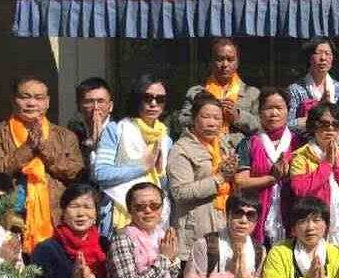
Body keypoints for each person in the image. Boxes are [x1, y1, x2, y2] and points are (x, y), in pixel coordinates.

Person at [0, 76, 84, 252]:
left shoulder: (65, 136)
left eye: (38, 98)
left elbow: (76, 172)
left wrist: (45, 149)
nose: (31, 103)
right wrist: (27, 149)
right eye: (25, 97)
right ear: (14, 100)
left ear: (47, 102)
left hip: (56, 217)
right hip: (12, 217)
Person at [94, 74, 174, 232]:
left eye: (160, 99)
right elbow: (100, 173)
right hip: (119, 215)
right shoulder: (116, 129)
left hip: (155, 219)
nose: (153, 104)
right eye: (147, 98)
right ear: (137, 98)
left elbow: (164, 187)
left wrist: (159, 173)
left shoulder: (166, 139)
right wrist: (143, 168)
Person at [168, 94, 237, 261]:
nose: (212, 123)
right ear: (193, 119)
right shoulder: (182, 149)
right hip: (196, 230)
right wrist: (219, 178)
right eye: (206, 117)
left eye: (217, 118)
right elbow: (180, 192)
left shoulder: (223, 145)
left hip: (223, 225)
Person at [233, 87, 298, 248]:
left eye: (279, 108)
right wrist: (272, 178)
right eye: (268, 108)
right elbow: (240, 182)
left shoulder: (298, 143)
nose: (274, 113)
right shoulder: (248, 143)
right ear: (259, 112)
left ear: (288, 111)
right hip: (256, 215)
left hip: (292, 215)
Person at [287, 103, 339, 250]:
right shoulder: (301, 156)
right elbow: (300, 190)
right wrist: (326, 165)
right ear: (313, 126)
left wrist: (338, 166)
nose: (330, 129)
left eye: (335, 125)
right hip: (313, 225)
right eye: (324, 124)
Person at [178, 38, 260, 148]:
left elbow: (261, 127)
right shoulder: (196, 92)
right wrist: (205, 117)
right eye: (220, 59)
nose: (225, 64)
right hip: (202, 150)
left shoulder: (252, 94)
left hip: (238, 152)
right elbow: (182, 122)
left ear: (237, 63)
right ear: (211, 63)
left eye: (230, 59)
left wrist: (237, 116)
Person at [287, 35, 339, 132]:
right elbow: (287, 124)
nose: (323, 58)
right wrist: (317, 113)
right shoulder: (295, 90)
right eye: (318, 53)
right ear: (309, 57)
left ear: (332, 58)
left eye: (328, 53)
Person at [67, 77, 113, 174]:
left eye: (101, 101)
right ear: (79, 106)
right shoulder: (71, 135)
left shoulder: (121, 131)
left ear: (110, 106)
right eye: (89, 102)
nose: (95, 107)